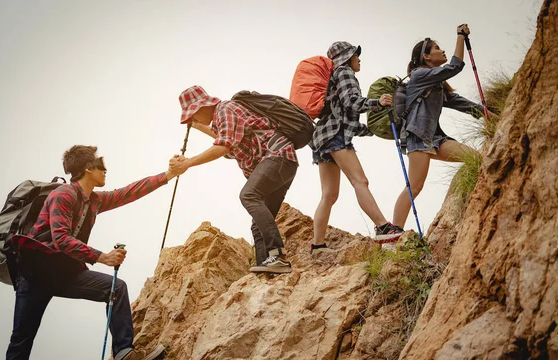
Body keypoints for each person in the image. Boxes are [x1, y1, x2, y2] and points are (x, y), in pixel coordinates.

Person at [4, 145, 185, 360]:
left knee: (116, 288)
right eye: (101, 165)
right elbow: (61, 240)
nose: (105, 169)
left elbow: (128, 193)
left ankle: (124, 354)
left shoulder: (94, 200)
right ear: (87, 169)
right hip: (36, 275)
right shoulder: (63, 195)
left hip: (64, 274)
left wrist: (168, 174)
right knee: (21, 342)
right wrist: (102, 257)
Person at [171, 85, 298, 274]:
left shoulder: (225, 109)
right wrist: (200, 128)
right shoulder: (223, 118)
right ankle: (268, 269)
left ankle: (278, 255)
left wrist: (187, 163)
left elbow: (223, 146)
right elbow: (229, 143)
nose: (193, 119)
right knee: (257, 223)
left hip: (277, 157)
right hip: (283, 163)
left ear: (201, 106)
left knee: (249, 195)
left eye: (193, 115)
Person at [392, 24, 497, 228]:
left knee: (474, 159)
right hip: (417, 136)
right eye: (437, 48)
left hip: (435, 138)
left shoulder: (437, 84)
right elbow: (455, 67)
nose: (442, 50)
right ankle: (393, 232)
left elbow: (463, 104)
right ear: (427, 57)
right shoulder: (419, 76)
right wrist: (460, 36)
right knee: (415, 185)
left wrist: (493, 117)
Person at [310, 41, 404, 254]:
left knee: (328, 195)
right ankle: (382, 227)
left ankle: (317, 245)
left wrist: (369, 129)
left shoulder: (332, 78)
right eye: (356, 55)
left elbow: (343, 116)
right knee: (360, 181)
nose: (359, 58)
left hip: (323, 138)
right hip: (336, 137)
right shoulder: (344, 72)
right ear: (346, 57)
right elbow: (351, 102)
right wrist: (377, 102)